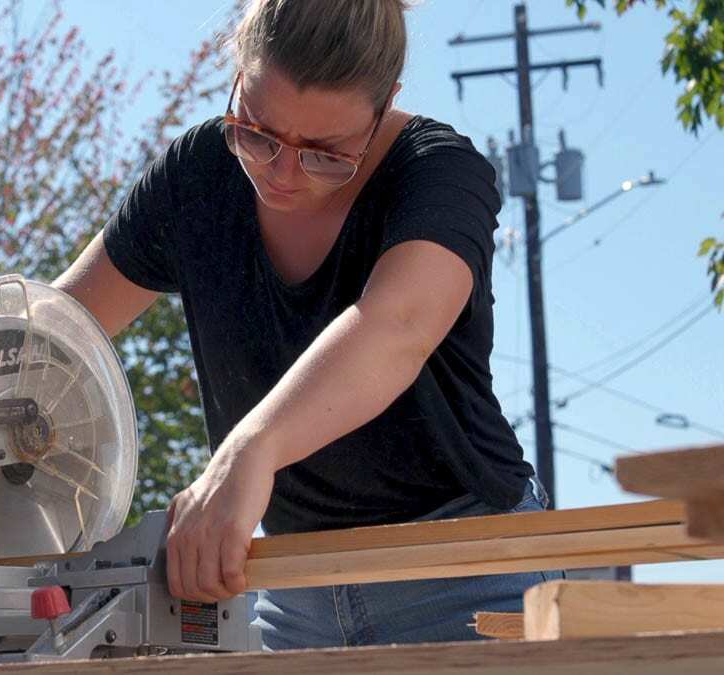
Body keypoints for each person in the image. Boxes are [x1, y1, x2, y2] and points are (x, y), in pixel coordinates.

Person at [54, 0, 562, 649]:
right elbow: (56, 336)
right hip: (295, 591)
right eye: (257, 132)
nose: (281, 173)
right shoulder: (198, 177)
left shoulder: (440, 173)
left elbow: (396, 325)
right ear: (237, 69)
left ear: (385, 106)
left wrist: (250, 450)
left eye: (326, 154)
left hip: (462, 571)